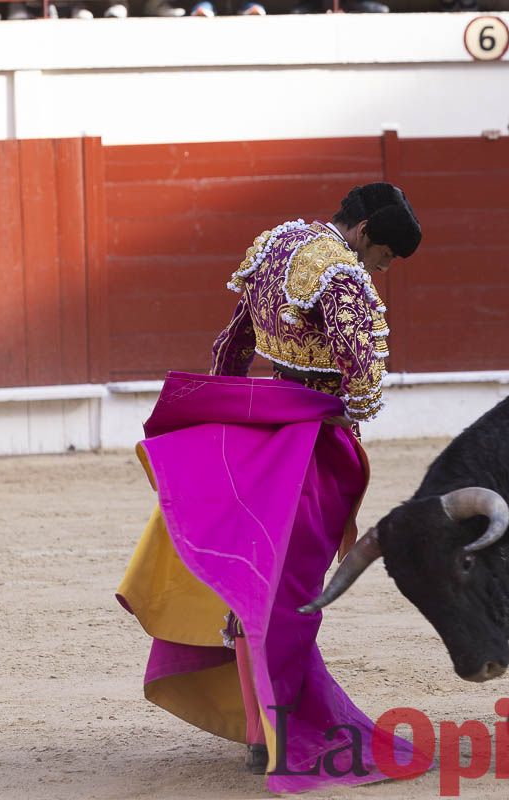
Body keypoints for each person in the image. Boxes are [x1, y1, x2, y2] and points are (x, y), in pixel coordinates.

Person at [116, 184, 422, 790]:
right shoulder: (342, 276)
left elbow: (230, 348)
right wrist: (339, 416)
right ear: (364, 232)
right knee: (290, 591)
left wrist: (229, 415)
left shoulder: (276, 245)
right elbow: (364, 382)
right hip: (309, 443)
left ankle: (261, 738)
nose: (379, 269)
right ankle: (281, 733)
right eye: (383, 255)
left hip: (255, 434)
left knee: (249, 582)